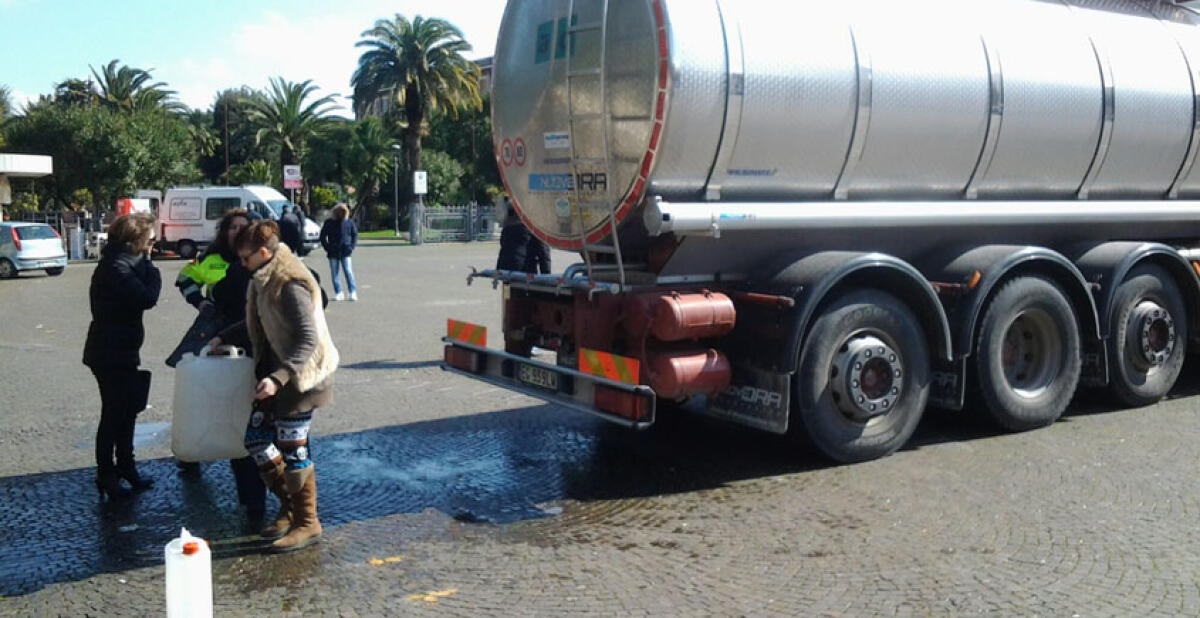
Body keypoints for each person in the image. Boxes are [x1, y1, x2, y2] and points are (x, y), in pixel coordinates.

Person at [210, 220, 339, 552]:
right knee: (255, 439)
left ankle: (307, 522)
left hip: (300, 380)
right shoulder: (264, 276)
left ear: (263, 253)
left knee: (294, 449)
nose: (242, 264)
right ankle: (291, 507)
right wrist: (225, 336)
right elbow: (259, 320)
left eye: (245, 258)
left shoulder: (289, 281)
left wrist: (278, 378)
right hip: (274, 377)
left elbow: (308, 339)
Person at [173, 209, 266, 521]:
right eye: (232, 227)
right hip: (222, 339)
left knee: (250, 419)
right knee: (215, 404)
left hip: (252, 346)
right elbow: (186, 279)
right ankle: (194, 455)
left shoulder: (259, 264)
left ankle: (261, 497)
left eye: (244, 227)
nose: (237, 232)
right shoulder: (212, 258)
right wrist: (201, 301)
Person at [83, 213, 161, 499]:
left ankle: (126, 467)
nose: (153, 243)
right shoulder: (116, 266)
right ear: (137, 239)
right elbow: (146, 297)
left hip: (122, 350)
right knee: (114, 413)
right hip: (109, 352)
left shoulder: (122, 262)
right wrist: (152, 267)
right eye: (151, 239)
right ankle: (107, 473)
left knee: (126, 412)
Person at [319, 203, 358, 301]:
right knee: (334, 273)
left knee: (348, 272)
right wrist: (327, 247)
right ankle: (339, 292)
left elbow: (355, 235)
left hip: (345, 250)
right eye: (338, 211)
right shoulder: (329, 222)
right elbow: (322, 236)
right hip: (333, 250)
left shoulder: (349, 222)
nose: (340, 213)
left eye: (342, 211)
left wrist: (351, 247)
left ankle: (352, 292)